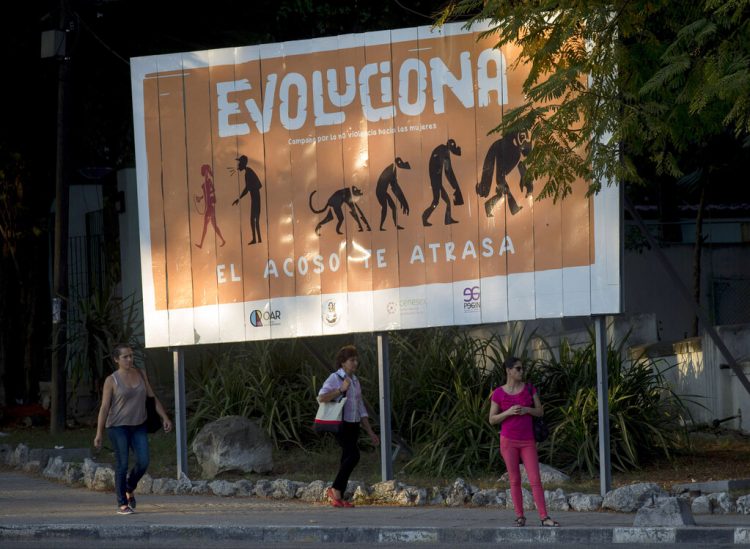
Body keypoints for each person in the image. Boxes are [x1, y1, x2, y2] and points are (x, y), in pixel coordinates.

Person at [94, 344, 173, 515]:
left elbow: (152, 398)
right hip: (117, 427)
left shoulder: (141, 374)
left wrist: (165, 417)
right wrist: (99, 433)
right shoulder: (111, 380)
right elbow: (104, 407)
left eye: (131, 356)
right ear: (117, 360)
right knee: (122, 464)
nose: (130, 359)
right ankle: (122, 503)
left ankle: (130, 487)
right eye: (125, 357)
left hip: (139, 425)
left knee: (143, 461)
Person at [489, 356, 559, 527]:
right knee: (514, 480)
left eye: (522, 368)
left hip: (528, 441)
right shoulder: (498, 393)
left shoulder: (529, 389)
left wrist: (527, 409)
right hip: (508, 441)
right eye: (518, 369)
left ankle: (544, 517)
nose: (521, 371)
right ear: (508, 371)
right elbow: (492, 419)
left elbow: (540, 411)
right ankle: (520, 516)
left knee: (535, 479)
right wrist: (509, 412)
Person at [318, 345, 379, 507]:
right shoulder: (335, 378)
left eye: (356, 360)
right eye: (352, 360)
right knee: (354, 456)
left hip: (354, 424)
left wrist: (370, 431)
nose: (355, 363)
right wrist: (340, 390)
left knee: (347, 457)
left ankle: (339, 496)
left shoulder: (355, 381)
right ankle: (335, 489)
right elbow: (321, 397)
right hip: (341, 423)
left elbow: (360, 407)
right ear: (343, 363)